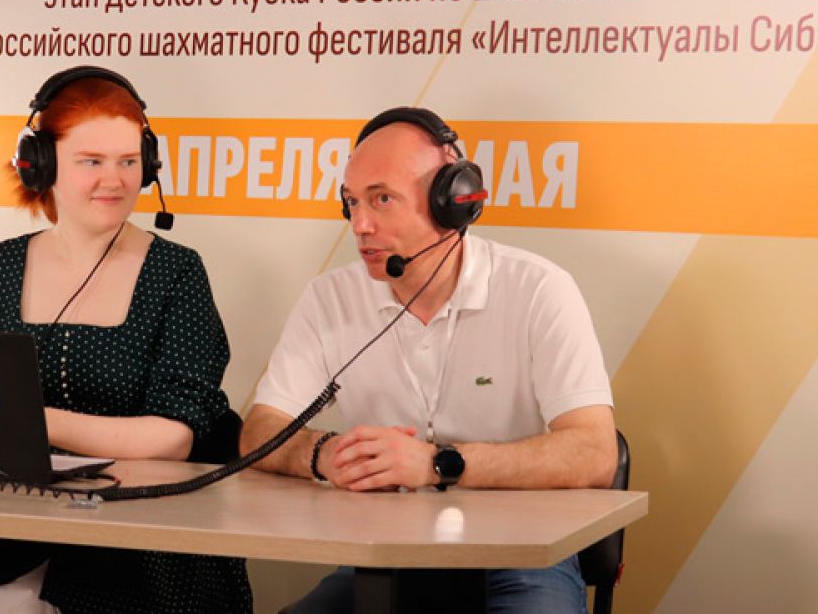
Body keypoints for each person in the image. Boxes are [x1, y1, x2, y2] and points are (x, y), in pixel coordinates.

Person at [0, 66, 252, 614]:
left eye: (129, 162)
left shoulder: (176, 273)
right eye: (91, 162)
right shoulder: (0, 267)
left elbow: (173, 437)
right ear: (41, 164)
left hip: (136, 530)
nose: (115, 180)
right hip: (9, 518)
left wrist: (33, 421)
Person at [240, 107, 616, 613]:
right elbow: (260, 431)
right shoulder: (329, 298)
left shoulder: (538, 289)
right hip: (384, 554)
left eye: (382, 199)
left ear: (454, 201)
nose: (360, 224)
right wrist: (324, 453)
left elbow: (595, 452)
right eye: (352, 202)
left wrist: (438, 463)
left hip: (521, 557)